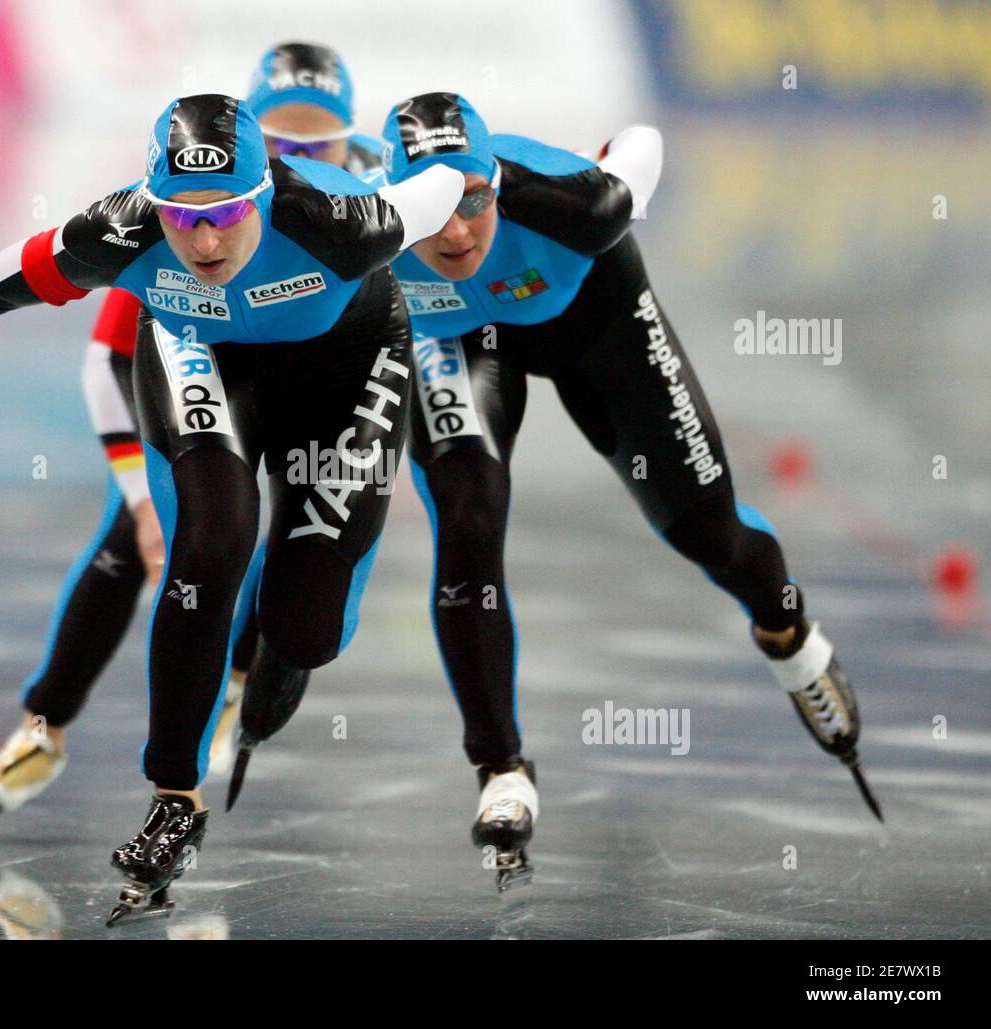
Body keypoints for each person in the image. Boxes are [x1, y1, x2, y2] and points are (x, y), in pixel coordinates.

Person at [0, 92, 465, 917]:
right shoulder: (119, 231)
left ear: (263, 195)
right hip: (204, 361)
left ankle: (282, 641)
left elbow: (441, 189)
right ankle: (174, 799)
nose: (202, 239)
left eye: (227, 212)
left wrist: (465, 193)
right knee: (210, 544)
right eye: (181, 216)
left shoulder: (339, 223)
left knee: (304, 627)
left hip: (346, 367)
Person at [377, 92, 882, 888]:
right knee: (468, 517)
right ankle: (501, 768)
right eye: (432, 207)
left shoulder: (572, 206)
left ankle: (790, 636)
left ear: (496, 184)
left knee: (709, 535)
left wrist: (614, 169)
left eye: (473, 198)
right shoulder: (372, 235)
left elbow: (640, 144)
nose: (455, 230)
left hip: (599, 328)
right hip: (460, 346)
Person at [0, 41, 390, 836]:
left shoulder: (351, 203)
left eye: (315, 146)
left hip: (320, 384)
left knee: (284, 536)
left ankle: (240, 683)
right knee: (143, 535)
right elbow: (105, 360)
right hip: (211, 387)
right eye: (281, 145)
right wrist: (135, 492)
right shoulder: (193, 217)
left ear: (349, 146)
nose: (296, 161)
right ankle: (43, 727)